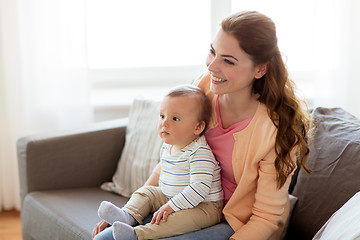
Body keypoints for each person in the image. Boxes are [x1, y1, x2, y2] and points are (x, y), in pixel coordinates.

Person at [94, 10, 310, 240]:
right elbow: (173, 157)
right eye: (212, 52)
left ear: (260, 69)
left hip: (236, 223)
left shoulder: (276, 131)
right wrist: (129, 213)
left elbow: (266, 218)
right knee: (105, 238)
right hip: (183, 200)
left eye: (228, 60)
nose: (212, 66)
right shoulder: (205, 87)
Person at [93, 85, 224, 240]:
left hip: (203, 207)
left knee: (176, 221)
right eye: (162, 116)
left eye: (175, 119)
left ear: (198, 127)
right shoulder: (168, 146)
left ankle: (137, 234)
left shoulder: (199, 153)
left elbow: (199, 189)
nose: (165, 123)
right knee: (147, 193)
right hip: (170, 196)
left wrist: (171, 207)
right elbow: (158, 172)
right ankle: (126, 215)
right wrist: (141, 198)